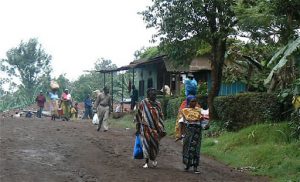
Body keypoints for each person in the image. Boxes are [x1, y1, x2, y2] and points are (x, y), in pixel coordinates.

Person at [135, 88, 166, 168]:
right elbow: (138, 114)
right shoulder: (143, 103)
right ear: (148, 95)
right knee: (146, 145)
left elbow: (161, 115)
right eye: (152, 95)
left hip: (156, 129)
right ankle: (146, 162)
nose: (154, 96)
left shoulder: (158, 104)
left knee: (155, 145)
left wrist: (161, 127)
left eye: (155, 95)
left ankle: (154, 159)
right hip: (145, 128)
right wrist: (138, 128)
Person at [176, 95, 208, 174]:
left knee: (196, 149)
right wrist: (180, 133)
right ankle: (187, 165)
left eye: (195, 101)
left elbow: (204, 121)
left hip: (197, 132)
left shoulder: (200, 110)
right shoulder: (184, 110)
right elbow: (181, 123)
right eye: (192, 101)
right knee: (187, 148)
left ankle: (195, 167)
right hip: (188, 131)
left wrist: (206, 125)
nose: (194, 103)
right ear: (188, 102)